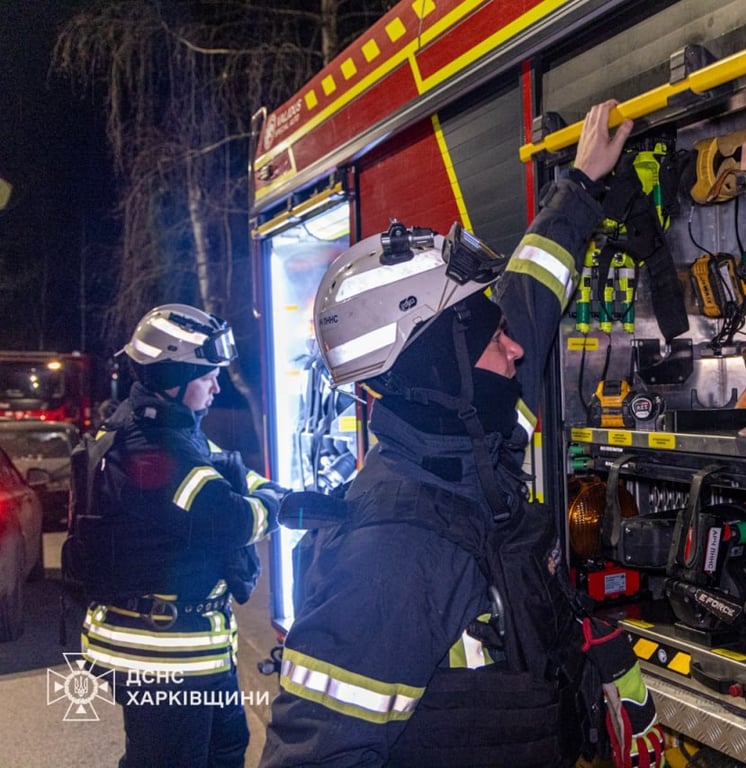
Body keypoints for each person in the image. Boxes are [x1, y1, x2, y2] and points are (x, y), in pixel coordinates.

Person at [260, 101, 665, 767]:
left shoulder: (479, 439)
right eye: (488, 333)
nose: (513, 348)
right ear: (432, 368)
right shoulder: (389, 557)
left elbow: (531, 298)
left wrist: (582, 188)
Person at [79, 303, 285, 768]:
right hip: (161, 656)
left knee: (226, 750)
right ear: (174, 376)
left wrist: (275, 493)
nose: (217, 385)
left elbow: (234, 474)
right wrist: (278, 507)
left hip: (196, 649)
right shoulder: (147, 447)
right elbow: (229, 521)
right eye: (207, 375)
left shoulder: (175, 430)